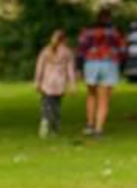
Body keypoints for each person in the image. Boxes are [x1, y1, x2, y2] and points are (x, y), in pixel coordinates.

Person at [77, 9, 126, 137]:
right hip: (109, 63)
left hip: (91, 63)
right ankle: (98, 129)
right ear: (109, 18)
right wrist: (122, 65)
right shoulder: (115, 32)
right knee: (104, 99)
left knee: (91, 94)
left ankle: (89, 124)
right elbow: (123, 49)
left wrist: (79, 67)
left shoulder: (87, 31)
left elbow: (81, 50)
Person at [33, 29, 76, 137]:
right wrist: (72, 85)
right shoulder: (67, 52)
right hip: (59, 83)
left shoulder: (45, 50)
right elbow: (70, 70)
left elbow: (39, 68)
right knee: (57, 107)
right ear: (64, 39)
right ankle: (54, 129)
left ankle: (45, 120)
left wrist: (37, 82)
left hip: (47, 83)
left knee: (46, 104)